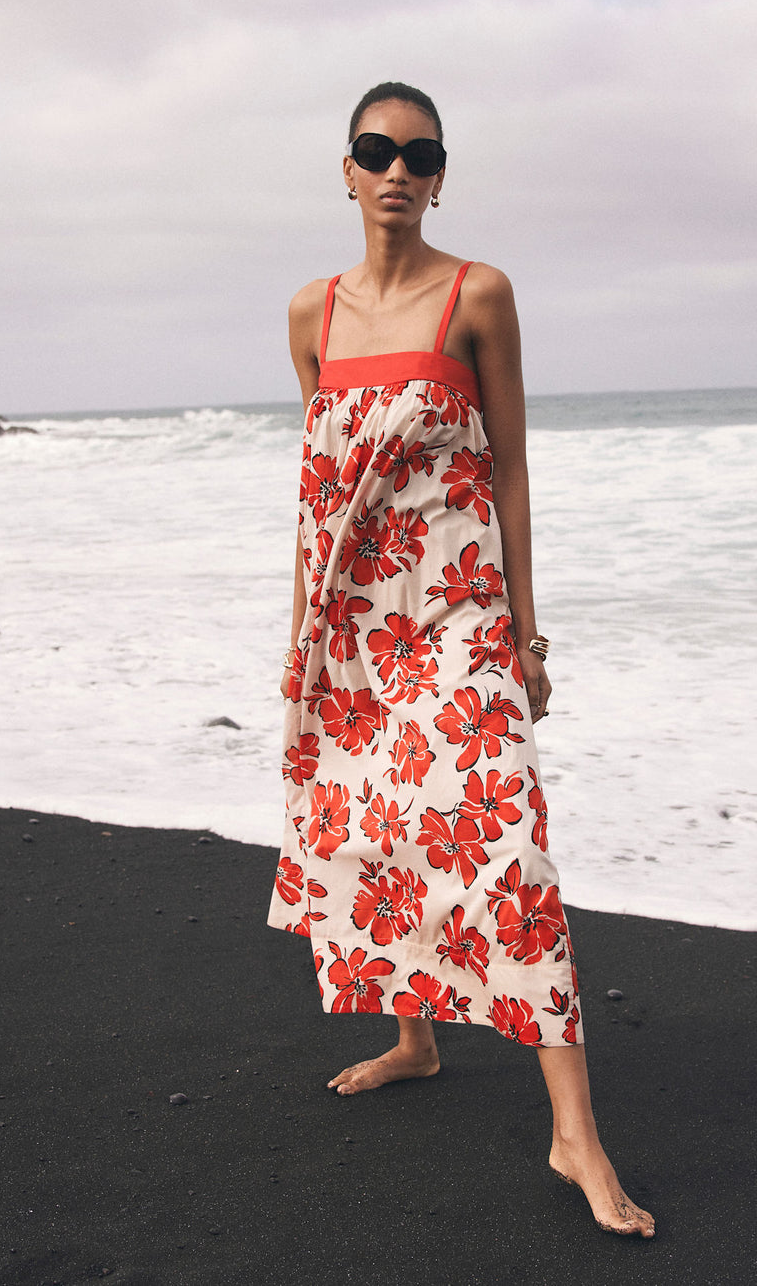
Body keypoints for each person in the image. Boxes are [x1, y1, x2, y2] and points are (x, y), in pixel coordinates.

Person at [268, 82, 655, 1238]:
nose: (396, 168)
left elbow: (513, 467)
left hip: (458, 620)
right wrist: (300, 640)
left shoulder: (477, 294)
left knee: (504, 845)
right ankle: (415, 1039)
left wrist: (527, 635)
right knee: (377, 826)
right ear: (345, 171)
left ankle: (573, 1132)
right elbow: (319, 491)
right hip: (350, 630)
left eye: (418, 152)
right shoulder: (310, 315)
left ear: (440, 175)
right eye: (375, 150)